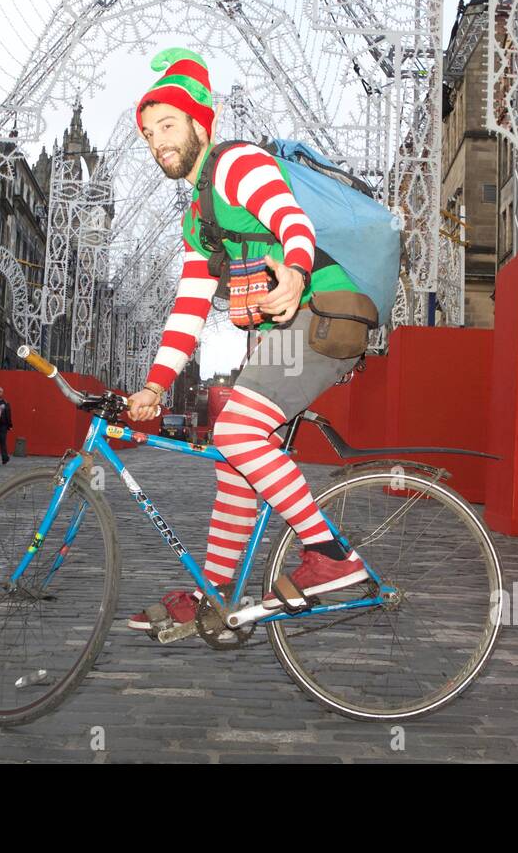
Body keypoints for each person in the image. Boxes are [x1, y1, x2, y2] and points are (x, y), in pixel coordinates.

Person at [125, 47, 375, 635]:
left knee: (237, 433)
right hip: (280, 333)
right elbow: (188, 308)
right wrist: (156, 386)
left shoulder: (237, 163)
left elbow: (291, 218)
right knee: (236, 463)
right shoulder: (196, 216)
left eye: (167, 124)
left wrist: (293, 268)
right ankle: (217, 598)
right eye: (146, 132)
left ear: (198, 124)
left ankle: (332, 557)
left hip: (319, 310)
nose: (156, 139)